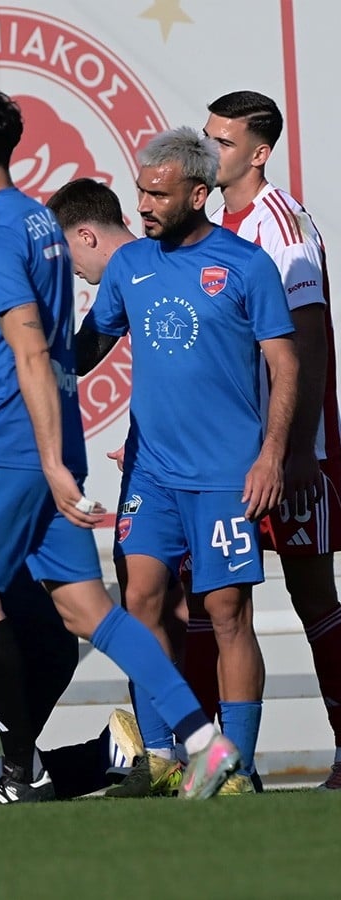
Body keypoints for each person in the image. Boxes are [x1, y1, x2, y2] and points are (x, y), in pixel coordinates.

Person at [0, 87, 241, 812]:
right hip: (29, 442)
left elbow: (33, 353)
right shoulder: (37, 219)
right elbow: (20, 363)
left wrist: (38, 461)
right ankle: (203, 739)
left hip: (7, 451)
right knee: (87, 609)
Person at [79, 127, 298, 796]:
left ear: (198, 195)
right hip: (150, 472)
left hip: (226, 475)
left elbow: (285, 364)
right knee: (139, 600)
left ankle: (237, 768)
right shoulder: (129, 264)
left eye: (158, 195)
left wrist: (272, 455)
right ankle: (161, 757)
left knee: (228, 614)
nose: (142, 206)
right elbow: (85, 349)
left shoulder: (246, 265)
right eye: (140, 192)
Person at [203, 90, 341, 791]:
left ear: (259, 153)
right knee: (213, 598)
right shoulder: (207, 224)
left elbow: (307, 340)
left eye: (223, 142)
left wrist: (299, 449)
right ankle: (225, 764)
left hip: (287, 452)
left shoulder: (282, 226)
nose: (210, 151)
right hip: (224, 455)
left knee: (313, 594)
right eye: (207, 137)